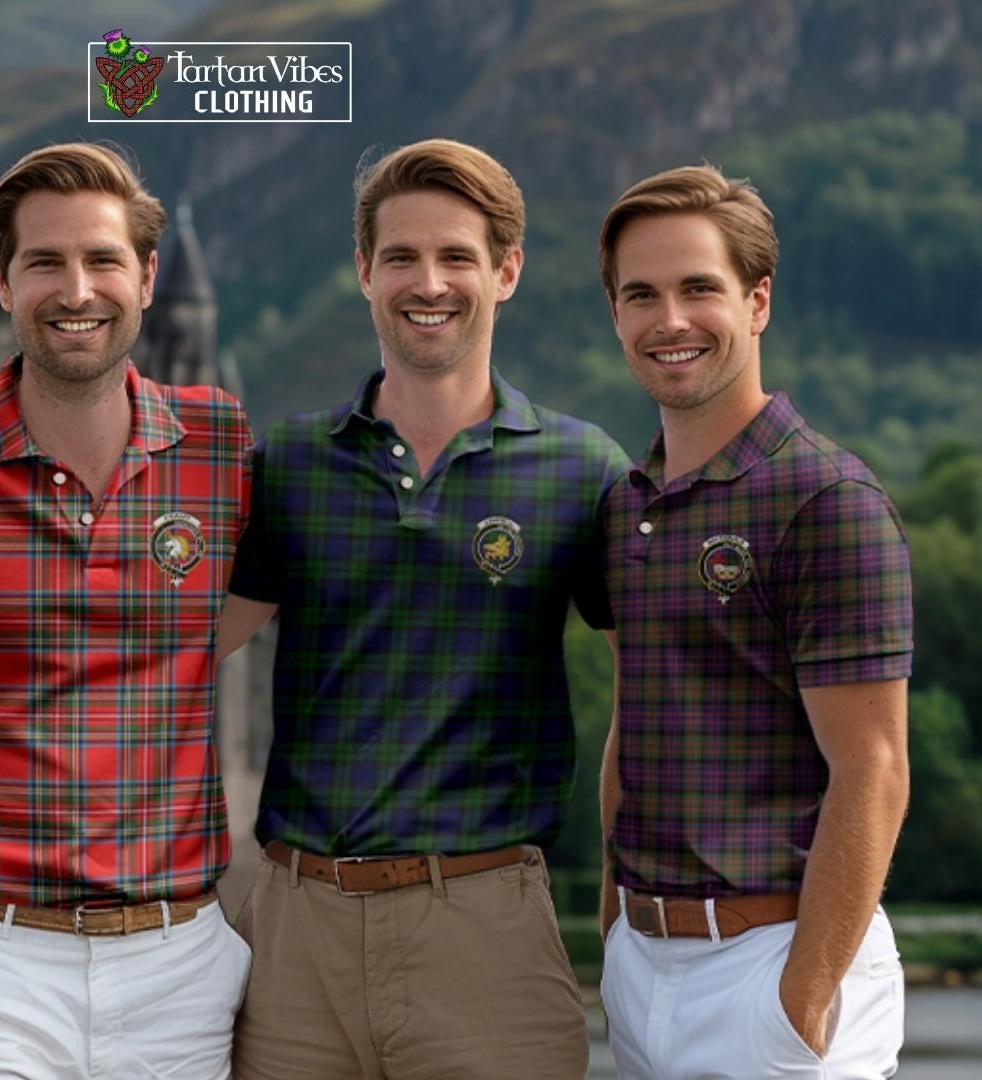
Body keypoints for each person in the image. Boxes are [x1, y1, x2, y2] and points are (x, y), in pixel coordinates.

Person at [217, 138, 626, 1080]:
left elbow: (666, 687)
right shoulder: (288, 462)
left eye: (457, 257)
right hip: (295, 930)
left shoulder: (580, 469)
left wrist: (628, 901)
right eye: (400, 256)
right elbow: (178, 654)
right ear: (364, 272)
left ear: (507, 272)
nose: (427, 281)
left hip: (485, 925)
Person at [0, 142, 253, 1079]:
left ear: (149, 278)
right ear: (1, 279)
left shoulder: (222, 444)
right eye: (45, 263)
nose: (77, 289)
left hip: (178, 957)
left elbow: (261, 609)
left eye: (103, 260)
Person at [594, 164, 912, 1079]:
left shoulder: (827, 499)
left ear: (758, 301)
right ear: (615, 315)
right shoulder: (628, 507)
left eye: (701, 288)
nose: (672, 320)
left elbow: (875, 769)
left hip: (774, 967)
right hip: (645, 965)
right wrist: (614, 927)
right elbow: (634, 719)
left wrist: (802, 1003)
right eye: (642, 294)